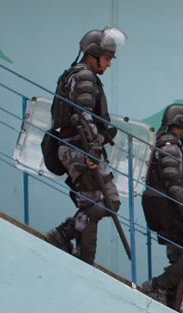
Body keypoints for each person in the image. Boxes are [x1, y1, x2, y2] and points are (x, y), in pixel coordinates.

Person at [43, 27, 127, 265]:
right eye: (107, 58)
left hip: (84, 147)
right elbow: (83, 114)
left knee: (111, 201)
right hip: (79, 148)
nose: (109, 64)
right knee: (91, 205)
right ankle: (66, 241)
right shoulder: (83, 76)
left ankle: (68, 240)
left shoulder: (81, 76)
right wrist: (91, 150)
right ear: (93, 53)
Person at [140, 103, 183, 310]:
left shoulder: (161, 144)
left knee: (180, 257)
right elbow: (173, 184)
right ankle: (155, 286)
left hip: (159, 207)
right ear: (180, 123)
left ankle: (169, 303)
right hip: (169, 210)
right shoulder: (170, 146)